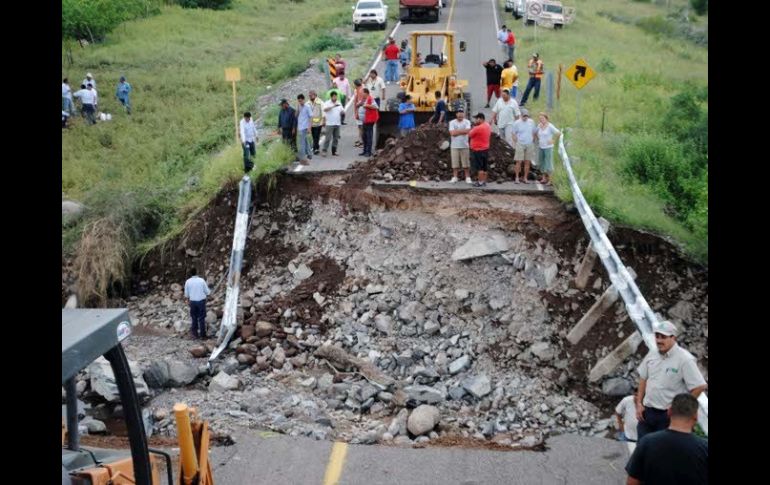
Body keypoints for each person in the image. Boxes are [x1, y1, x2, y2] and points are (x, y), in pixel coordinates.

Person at [635, 320, 708, 441]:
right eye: (657, 336)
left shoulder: (685, 359)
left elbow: (699, 386)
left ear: (673, 338)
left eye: (663, 337)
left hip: (667, 416)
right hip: (647, 413)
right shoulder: (652, 353)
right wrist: (639, 404)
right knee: (642, 448)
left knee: (662, 453)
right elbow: (643, 377)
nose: (658, 340)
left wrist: (678, 409)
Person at [625, 393, 708, 485]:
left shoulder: (647, 443)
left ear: (669, 412)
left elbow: (632, 482)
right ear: (696, 416)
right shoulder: (704, 448)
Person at [511, 108, 537, 183]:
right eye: (524, 116)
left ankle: (525, 178)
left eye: (526, 116)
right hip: (520, 144)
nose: (525, 117)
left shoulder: (531, 122)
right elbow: (513, 133)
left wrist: (533, 140)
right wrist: (516, 141)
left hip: (529, 144)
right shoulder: (517, 123)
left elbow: (534, 132)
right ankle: (517, 177)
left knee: (527, 162)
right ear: (521, 115)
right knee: (518, 161)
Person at [534, 112, 561, 185]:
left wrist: (553, 140)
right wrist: (538, 139)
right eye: (540, 119)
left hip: (548, 147)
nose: (541, 120)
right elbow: (535, 132)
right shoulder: (539, 126)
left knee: (548, 163)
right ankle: (543, 178)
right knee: (542, 163)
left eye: (542, 118)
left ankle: (550, 180)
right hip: (541, 147)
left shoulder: (550, 126)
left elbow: (558, 133)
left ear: (546, 119)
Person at [184, 267, 211, 340]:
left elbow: (186, 294)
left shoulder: (188, 281)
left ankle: (195, 334)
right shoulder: (201, 280)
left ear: (190, 273)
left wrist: (188, 300)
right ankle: (203, 335)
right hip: (201, 301)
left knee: (194, 318)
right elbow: (207, 292)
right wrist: (209, 292)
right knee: (202, 318)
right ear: (197, 272)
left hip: (192, 302)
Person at [448, 109, 472, 184]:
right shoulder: (452, 122)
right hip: (454, 146)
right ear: (456, 114)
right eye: (459, 114)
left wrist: (457, 131)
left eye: (462, 114)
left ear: (464, 115)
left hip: (464, 145)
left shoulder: (467, 122)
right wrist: (463, 131)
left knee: (466, 163)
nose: (460, 115)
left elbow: (468, 131)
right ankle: (455, 177)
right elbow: (452, 133)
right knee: (455, 163)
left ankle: (467, 177)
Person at [469, 112, 491, 187]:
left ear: (481, 119)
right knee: (484, 167)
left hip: (478, 150)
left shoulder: (478, 128)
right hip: (485, 149)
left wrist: (473, 127)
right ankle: (484, 181)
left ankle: (480, 182)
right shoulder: (487, 125)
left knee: (479, 167)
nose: (475, 120)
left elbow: (470, 134)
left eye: (476, 119)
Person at [321, 91, 344, 156]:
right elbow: (325, 110)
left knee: (336, 138)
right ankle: (324, 150)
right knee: (328, 138)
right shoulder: (327, 103)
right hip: (329, 123)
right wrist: (333, 106)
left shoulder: (339, 102)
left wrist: (342, 112)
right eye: (334, 96)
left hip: (337, 123)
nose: (335, 97)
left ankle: (334, 151)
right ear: (331, 97)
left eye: (336, 96)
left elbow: (342, 110)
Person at [360, 88, 379, 157]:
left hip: (370, 120)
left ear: (366, 93)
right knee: (364, 136)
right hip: (365, 120)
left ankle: (369, 151)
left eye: (362, 93)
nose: (361, 94)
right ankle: (365, 151)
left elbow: (376, 107)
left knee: (368, 136)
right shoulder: (365, 99)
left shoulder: (371, 98)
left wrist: (367, 105)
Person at [295, 94, 314, 165]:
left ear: (303, 99)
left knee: (301, 143)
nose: (300, 102)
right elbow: (295, 116)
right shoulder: (299, 106)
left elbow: (311, 117)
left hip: (305, 127)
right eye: (299, 101)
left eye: (301, 101)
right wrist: (297, 108)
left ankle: (303, 158)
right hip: (300, 127)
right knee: (305, 141)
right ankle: (310, 154)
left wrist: (309, 127)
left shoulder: (307, 107)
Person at [308, 90, 324, 155]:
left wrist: (324, 121)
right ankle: (316, 147)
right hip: (311, 124)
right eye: (309, 95)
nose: (310, 96)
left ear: (315, 95)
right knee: (314, 136)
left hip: (318, 123)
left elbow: (323, 112)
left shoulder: (320, 102)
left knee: (316, 136)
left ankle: (315, 149)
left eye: (311, 95)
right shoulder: (308, 103)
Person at [353, 79, 365, 148]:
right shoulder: (359, 89)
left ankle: (362, 142)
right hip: (359, 110)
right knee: (360, 127)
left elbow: (361, 102)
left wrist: (357, 106)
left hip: (360, 111)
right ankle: (360, 140)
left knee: (361, 127)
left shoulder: (360, 90)